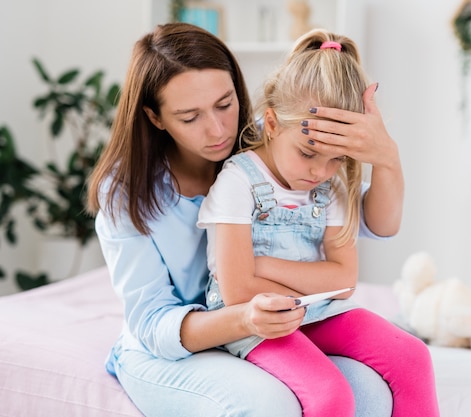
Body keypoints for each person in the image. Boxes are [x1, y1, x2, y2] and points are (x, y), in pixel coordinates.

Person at [87, 22, 409, 417]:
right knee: (269, 404)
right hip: (176, 345)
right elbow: (154, 326)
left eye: (225, 104)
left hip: (265, 325)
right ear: (156, 118)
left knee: (372, 397)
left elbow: (372, 222)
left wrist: (386, 158)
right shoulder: (126, 192)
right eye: (190, 117)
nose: (219, 129)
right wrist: (244, 317)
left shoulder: (267, 142)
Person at [196, 29, 439, 417]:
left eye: (336, 159)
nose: (320, 171)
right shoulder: (238, 182)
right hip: (255, 320)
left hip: (318, 310)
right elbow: (240, 291)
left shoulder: (329, 188)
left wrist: (263, 265)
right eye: (309, 152)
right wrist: (312, 278)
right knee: (331, 392)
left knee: (411, 356)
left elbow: (343, 282)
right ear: (272, 124)